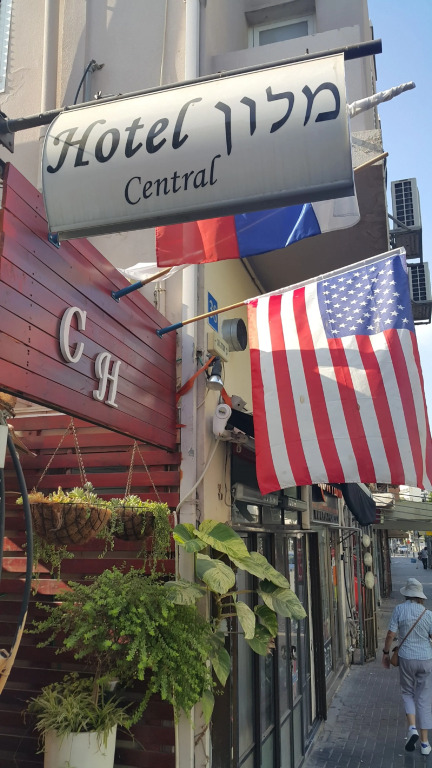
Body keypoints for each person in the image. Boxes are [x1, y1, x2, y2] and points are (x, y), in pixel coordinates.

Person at [382, 578, 432, 755]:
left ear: (407, 594)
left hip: (406, 659)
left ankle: (412, 728)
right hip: (426, 659)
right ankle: (425, 744)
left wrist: (386, 653)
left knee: (408, 693)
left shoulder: (399, 609)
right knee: (424, 698)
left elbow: (390, 634)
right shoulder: (428, 614)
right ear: (420, 596)